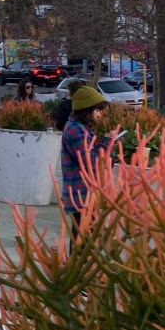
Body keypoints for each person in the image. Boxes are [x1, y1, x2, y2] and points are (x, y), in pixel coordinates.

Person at [60, 86, 114, 242]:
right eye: (97, 111)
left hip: (84, 193)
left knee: (82, 238)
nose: (99, 115)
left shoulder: (80, 129)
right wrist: (108, 143)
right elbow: (92, 162)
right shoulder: (76, 131)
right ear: (86, 110)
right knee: (82, 240)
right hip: (80, 194)